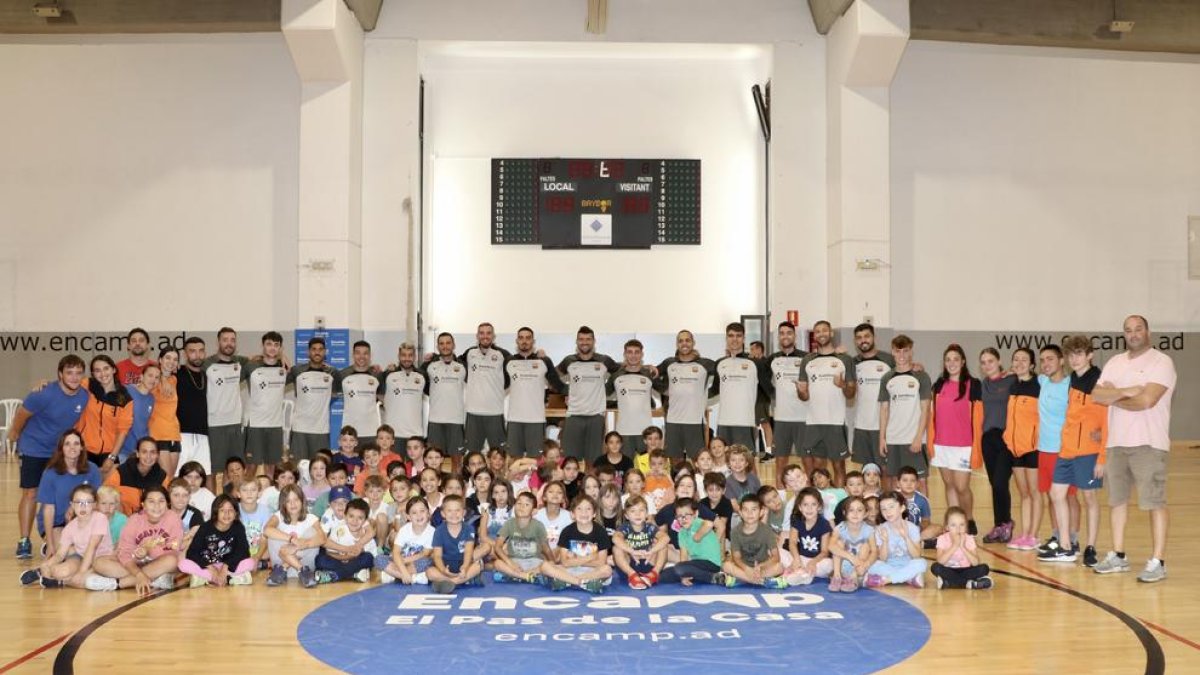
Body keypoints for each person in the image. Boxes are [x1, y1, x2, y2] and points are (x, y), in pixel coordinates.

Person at [1092, 315, 1176, 583]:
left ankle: (1158, 561)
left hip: (1149, 444)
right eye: (1128, 330)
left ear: (1148, 332)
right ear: (1124, 334)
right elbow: (1096, 395)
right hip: (1116, 443)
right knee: (1116, 501)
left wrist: (1114, 396)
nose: (1134, 334)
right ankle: (1118, 555)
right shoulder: (1115, 362)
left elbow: (1147, 400)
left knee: (1154, 502)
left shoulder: (1161, 362)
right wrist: (1127, 391)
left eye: (1138, 329)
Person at [1040, 336, 1108, 566]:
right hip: (1066, 450)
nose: (1075, 359)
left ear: (1089, 355)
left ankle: (1090, 547)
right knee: (1056, 494)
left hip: (1088, 451)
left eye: (1079, 354)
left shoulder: (1100, 382)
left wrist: (1102, 457)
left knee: (1089, 498)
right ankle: (1066, 546)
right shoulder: (1072, 382)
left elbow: (1107, 421)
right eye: (1071, 355)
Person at [927, 344, 983, 535]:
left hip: (963, 445)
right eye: (948, 359)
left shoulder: (973, 384)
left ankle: (968, 518)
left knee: (962, 487)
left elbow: (978, 415)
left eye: (956, 359)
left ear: (963, 362)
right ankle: (954, 524)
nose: (952, 363)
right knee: (949, 485)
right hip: (941, 444)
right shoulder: (939, 385)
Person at [797, 321, 857, 485]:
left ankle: (839, 504)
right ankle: (818, 503)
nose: (821, 334)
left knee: (839, 466)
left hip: (835, 422)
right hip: (814, 422)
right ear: (814, 336)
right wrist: (801, 391)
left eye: (824, 330)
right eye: (817, 331)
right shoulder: (807, 360)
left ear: (831, 333)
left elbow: (851, 393)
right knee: (818, 469)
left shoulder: (844, 359)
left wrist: (843, 385)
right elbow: (804, 396)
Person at [20, 485, 112, 589]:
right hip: (81, 556)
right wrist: (46, 564)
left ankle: (61, 582)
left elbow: (92, 547)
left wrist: (81, 573)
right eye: (78, 502)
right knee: (59, 572)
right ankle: (41, 571)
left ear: (95, 505)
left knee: (86, 580)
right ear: (72, 505)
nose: (83, 506)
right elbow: (60, 554)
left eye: (87, 502)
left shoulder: (100, 518)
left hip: (100, 559)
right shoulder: (70, 527)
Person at [1034, 345, 1077, 554]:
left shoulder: (1071, 384)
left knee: (1069, 496)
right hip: (1044, 449)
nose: (1045, 364)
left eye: (1050, 359)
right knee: (1052, 496)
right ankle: (1057, 535)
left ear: (1062, 361)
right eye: (1042, 360)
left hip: (1065, 450)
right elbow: (1021, 372)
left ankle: (1073, 538)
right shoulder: (1042, 381)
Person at [35, 430, 103, 559]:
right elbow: (48, 509)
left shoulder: (92, 469)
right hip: (57, 522)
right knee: (66, 552)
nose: (72, 447)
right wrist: (50, 543)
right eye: (67, 444)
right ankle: (50, 545)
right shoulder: (51, 473)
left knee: (91, 550)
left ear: (82, 447)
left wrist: (74, 507)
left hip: (84, 519)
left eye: (76, 443)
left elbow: (97, 500)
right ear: (61, 448)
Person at [878, 335, 932, 493]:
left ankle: (924, 518)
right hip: (893, 438)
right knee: (895, 480)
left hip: (914, 439)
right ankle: (898, 516)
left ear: (911, 352)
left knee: (920, 481)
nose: (901, 355)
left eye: (905, 351)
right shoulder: (887, 378)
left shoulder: (921, 376)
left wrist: (918, 437)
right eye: (897, 351)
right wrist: (882, 438)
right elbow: (884, 410)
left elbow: (925, 409)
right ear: (892, 352)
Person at [557, 326, 619, 462]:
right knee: (570, 461)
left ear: (594, 341)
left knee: (594, 461)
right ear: (577, 342)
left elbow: (623, 371)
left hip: (596, 417)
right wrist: (566, 391)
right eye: (581, 339)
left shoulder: (604, 360)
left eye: (588, 339)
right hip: (574, 416)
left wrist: (606, 389)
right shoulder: (569, 360)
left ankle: (591, 484)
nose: (584, 342)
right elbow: (552, 377)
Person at [656, 330, 716, 459]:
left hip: (694, 421)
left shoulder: (705, 364)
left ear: (693, 343)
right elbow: (652, 375)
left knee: (697, 461)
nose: (684, 343)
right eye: (681, 340)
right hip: (673, 421)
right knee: (673, 461)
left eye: (687, 340)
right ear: (677, 344)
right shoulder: (669, 363)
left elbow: (722, 376)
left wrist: (707, 394)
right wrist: (666, 391)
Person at [505, 327, 565, 457]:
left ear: (533, 341)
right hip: (515, 419)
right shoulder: (509, 361)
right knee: (515, 460)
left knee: (536, 461)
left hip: (536, 420)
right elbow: (501, 384)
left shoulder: (543, 361)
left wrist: (574, 392)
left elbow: (558, 385)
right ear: (517, 341)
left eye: (528, 338)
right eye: (521, 338)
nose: (524, 341)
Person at [1003, 348, 1042, 551]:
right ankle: (1025, 533)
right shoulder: (1013, 385)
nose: (1019, 363)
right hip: (1015, 448)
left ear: (1032, 365)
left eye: (1024, 360)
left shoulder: (1039, 385)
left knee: (1035, 493)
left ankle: (1034, 535)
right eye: (1016, 359)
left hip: (1033, 448)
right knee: (1024, 493)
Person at [113, 485, 184, 594]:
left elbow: (174, 546)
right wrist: (139, 573)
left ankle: (118, 583)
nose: (157, 506)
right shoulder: (134, 520)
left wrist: (148, 551)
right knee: (100, 562)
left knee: (172, 561)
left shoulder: (173, 518)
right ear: (143, 505)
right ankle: (154, 578)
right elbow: (124, 552)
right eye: (151, 501)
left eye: (161, 501)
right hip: (137, 564)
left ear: (167, 504)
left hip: (161, 562)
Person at [761, 322, 808, 482]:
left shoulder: (806, 358)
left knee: (808, 463)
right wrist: (773, 394)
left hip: (804, 419)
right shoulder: (772, 359)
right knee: (780, 462)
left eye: (789, 333)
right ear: (778, 337)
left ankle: (811, 497)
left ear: (794, 336)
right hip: (781, 419)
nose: (785, 336)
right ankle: (779, 501)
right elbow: (762, 379)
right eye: (782, 333)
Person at [979, 347, 1016, 544]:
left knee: (1001, 482)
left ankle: (1007, 523)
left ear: (999, 361)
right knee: (995, 484)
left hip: (1006, 438)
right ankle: (999, 525)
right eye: (983, 362)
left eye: (990, 361)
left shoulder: (1011, 380)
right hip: (988, 438)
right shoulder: (983, 384)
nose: (987, 366)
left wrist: (1016, 370)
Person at [204, 327, 248, 492]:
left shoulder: (240, 363)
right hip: (215, 424)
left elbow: (256, 362)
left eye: (232, 340)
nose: (229, 343)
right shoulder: (207, 364)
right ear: (218, 342)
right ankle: (216, 503)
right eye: (225, 340)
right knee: (216, 470)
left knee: (236, 469)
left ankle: (235, 501)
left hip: (235, 423)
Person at [458, 323, 512, 457]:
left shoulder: (502, 354)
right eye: (482, 333)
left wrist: (537, 355)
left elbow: (515, 367)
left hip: (494, 412)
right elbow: (453, 361)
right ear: (477, 336)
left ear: (493, 336)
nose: (485, 336)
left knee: (498, 454)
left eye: (488, 333)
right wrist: (434, 357)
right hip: (473, 412)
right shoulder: (470, 353)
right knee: (472, 453)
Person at [540, 495, 612, 593]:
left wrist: (575, 559)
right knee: (545, 566)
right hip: (571, 569)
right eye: (579, 509)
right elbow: (565, 562)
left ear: (594, 513)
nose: (584, 513)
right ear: (572, 514)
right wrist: (589, 558)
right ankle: (582, 583)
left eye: (588, 509)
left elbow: (601, 562)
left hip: (592, 571)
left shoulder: (600, 531)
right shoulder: (567, 531)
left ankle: (567, 581)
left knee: (607, 570)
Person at [286, 337, 342, 463]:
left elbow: (335, 393)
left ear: (325, 352)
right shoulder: (296, 370)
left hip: (321, 430)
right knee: (298, 467)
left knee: (320, 467)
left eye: (321, 349)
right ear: (308, 352)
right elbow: (279, 381)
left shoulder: (333, 373)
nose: (317, 352)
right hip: (299, 429)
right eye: (314, 349)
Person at [850, 323, 896, 475]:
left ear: (873, 337)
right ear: (855, 341)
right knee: (867, 470)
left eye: (867, 336)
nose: (863, 340)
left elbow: (906, 370)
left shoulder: (889, 360)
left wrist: (916, 366)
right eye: (859, 337)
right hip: (862, 425)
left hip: (884, 426)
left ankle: (888, 499)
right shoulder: (853, 362)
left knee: (886, 470)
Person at [180, 494, 254, 587]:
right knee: (183, 564)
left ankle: (207, 578)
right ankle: (229, 578)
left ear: (236, 512)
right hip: (208, 566)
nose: (227, 514)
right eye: (222, 510)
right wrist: (210, 567)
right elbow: (192, 553)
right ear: (216, 512)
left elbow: (243, 551)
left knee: (250, 562)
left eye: (230, 510)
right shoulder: (205, 527)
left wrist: (226, 567)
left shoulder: (238, 527)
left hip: (229, 567)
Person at [77, 355, 134, 474]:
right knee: (82, 490)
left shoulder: (125, 398)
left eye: (106, 368)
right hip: (84, 450)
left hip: (108, 453)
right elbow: (67, 384)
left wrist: (112, 457)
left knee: (108, 490)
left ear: (113, 369)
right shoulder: (87, 385)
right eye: (97, 370)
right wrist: (45, 384)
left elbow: (123, 431)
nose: (102, 373)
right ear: (93, 373)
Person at [244, 331, 288, 480]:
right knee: (251, 466)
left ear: (280, 348)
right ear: (263, 346)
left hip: (275, 425)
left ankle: (268, 496)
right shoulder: (251, 366)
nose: (272, 348)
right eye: (269, 344)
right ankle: (245, 495)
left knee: (272, 466)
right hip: (256, 424)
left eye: (276, 345)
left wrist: (285, 359)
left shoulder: (285, 368)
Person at [718, 494, 788, 588]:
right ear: (741, 512)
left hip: (761, 569)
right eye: (745, 510)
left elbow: (776, 557)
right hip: (743, 568)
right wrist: (747, 569)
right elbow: (736, 558)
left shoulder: (767, 530)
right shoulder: (735, 531)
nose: (749, 514)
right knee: (726, 566)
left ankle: (742, 581)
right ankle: (763, 582)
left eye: (754, 510)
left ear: (761, 512)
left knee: (779, 567)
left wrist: (760, 567)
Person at [709, 322, 759, 450]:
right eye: (731, 336)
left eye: (738, 336)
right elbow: (714, 390)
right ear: (726, 338)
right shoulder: (720, 363)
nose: (734, 339)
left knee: (746, 462)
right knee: (724, 461)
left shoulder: (754, 363)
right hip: (723, 422)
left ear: (744, 338)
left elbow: (768, 390)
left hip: (745, 422)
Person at [265, 484, 325, 588]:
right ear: (283, 504)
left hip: (304, 564)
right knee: (272, 534)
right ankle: (300, 569)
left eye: (296, 499)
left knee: (313, 533)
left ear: (302, 501)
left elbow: (322, 538)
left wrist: (299, 546)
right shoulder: (278, 516)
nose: (293, 504)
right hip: (282, 567)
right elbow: (267, 530)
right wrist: (292, 539)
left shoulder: (311, 518)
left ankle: (298, 569)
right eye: (288, 501)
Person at [864, 491, 927, 588]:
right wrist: (885, 541)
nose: (887, 512)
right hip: (888, 566)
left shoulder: (912, 528)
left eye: (891, 507)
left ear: (902, 508)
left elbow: (916, 555)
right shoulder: (880, 529)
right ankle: (909, 578)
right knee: (873, 564)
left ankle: (886, 580)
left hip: (908, 564)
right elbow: (883, 559)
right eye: (883, 509)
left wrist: (906, 537)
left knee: (921, 563)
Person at [608, 340, 660, 455]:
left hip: (645, 432)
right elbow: (602, 394)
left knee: (646, 469)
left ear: (642, 354)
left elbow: (666, 390)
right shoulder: (616, 376)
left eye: (637, 352)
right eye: (630, 352)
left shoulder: (649, 374)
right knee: (628, 470)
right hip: (624, 432)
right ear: (625, 354)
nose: (633, 355)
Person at [658, 498, 724, 586]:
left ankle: (712, 577)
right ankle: (696, 576)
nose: (683, 519)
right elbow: (684, 555)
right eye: (679, 516)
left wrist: (697, 536)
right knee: (663, 576)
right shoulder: (681, 533)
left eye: (687, 515)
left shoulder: (697, 523)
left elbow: (709, 524)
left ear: (695, 514)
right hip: (696, 564)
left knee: (680, 568)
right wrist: (683, 576)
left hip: (711, 563)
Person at [491, 491, 553, 584]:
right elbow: (497, 547)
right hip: (514, 561)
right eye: (519, 503)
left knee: (548, 565)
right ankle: (525, 576)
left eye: (526, 504)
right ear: (514, 506)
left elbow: (546, 548)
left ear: (534, 510)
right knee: (497, 563)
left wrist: (553, 563)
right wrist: (509, 562)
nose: (522, 506)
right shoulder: (509, 523)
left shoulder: (538, 525)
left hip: (534, 561)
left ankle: (515, 576)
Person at [427, 495, 483, 593]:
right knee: (429, 572)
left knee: (478, 566)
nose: (454, 514)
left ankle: (451, 582)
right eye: (449, 511)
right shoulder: (439, 531)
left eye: (457, 510)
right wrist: (443, 570)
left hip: (462, 565)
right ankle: (461, 581)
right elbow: (437, 556)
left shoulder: (469, 529)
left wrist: (465, 567)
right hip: (445, 566)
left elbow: (468, 552)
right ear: (443, 514)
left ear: (464, 512)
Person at [423, 332, 467, 455]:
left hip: (456, 420)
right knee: (434, 459)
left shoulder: (463, 366)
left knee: (457, 459)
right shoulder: (430, 366)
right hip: (435, 420)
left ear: (454, 345)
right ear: (437, 347)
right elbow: (417, 378)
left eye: (448, 343)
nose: (445, 346)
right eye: (441, 343)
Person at [315, 497, 377, 584]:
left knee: (368, 558)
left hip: (355, 562)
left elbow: (371, 558)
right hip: (339, 561)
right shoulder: (338, 530)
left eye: (360, 518)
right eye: (351, 516)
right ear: (345, 516)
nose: (355, 521)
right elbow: (329, 552)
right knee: (320, 559)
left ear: (365, 521)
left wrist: (352, 554)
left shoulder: (366, 537)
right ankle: (352, 574)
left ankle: (335, 575)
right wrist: (345, 556)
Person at [612, 496, 669, 589]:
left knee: (663, 546)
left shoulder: (650, 527)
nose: (637, 514)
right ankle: (632, 575)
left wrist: (652, 551)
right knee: (616, 548)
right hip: (630, 564)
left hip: (648, 561)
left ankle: (654, 574)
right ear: (626, 515)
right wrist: (632, 551)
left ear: (646, 513)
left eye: (641, 510)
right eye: (633, 511)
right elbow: (615, 538)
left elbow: (665, 537)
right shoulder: (625, 527)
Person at [175, 337, 212, 478]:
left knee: (204, 475)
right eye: (192, 351)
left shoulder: (205, 375)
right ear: (185, 354)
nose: (197, 355)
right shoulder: (177, 372)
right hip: (181, 433)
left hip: (202, 434)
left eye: (201, 351)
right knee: (178, 476)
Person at [103, 437, 167, 516]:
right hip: (124, 520)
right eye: (144, 452)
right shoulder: (122, 472)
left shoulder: (162, 477)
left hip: (151, 520)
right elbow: (104, 495)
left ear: (157, 455)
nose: (148, 456)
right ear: (137, 453)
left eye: (153, 452)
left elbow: (167, 504)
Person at [932, 506, 993, 590]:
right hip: (949, 570)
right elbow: (940, 561)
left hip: (966, 570)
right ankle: (969, 584)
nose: (958, 528)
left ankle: (949, 583)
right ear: (947, 527)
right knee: (935, 567)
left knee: (984, 568)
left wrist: (963, 547)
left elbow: (975, 563)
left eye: (962, 525)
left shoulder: (969, 538)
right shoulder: (942, 538)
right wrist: (954, 546)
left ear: (966, 526)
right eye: (953, 525)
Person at [379, 343, 427, 444]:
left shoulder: (422, 375)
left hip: (415, 434)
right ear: (398, 356)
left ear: (415, 357)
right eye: (403, 355)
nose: (407, 358)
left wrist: (434, 358)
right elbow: (378, 394)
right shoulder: (388, 374)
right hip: (393, 434)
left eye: (410, 355)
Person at [379, 497, 435, 585]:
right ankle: (411, 577)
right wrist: (403, 572)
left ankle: (394, 575)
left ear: (429, 513)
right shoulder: (404, 530)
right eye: (414, 513)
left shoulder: (432, 532)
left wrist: (406, 560)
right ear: (408, 516)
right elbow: (396, 552)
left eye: (422, 511)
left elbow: (425, 554)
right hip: (400, 563)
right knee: (379, 559)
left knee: (428, 561)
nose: (419, 515)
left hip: (414, 563)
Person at [786, 487, 834, 585]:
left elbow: (825, 551)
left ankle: (802, 573)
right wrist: (796, 559)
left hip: (818, 560)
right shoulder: (796, 521)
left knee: (830, 564)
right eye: (805, 505)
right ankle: (802, 572)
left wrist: (813, 562)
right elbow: (792, 543)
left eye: (813, 504)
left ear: (819, 507)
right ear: (800, 507)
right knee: (780, 553)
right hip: (801, 558)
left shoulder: (824, 524)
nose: (809, 508)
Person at [827, 496, 876, 593]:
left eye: (859, 510)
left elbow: (874, 551)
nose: (855, 513)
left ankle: (853, 579)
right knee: (838, 543)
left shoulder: (869, 530)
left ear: (865, 513)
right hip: (843, 565)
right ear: (845, 513)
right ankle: (837, 577)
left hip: (859, 568)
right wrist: (851, 557)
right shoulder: (840, 528)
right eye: (851, 510)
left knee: (866, 546)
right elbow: (830, 546)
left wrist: (866, 564)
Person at [339, 340, 382, 445]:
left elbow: (383, 398)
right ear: (353, 355)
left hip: (371, 431)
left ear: (370, 355)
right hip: (349, 432)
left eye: (365, 353)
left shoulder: (377, 375)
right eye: (358, 353)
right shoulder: (342, 375)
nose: (362, 356)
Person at [150, 347, 183, 477]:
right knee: (165, 479)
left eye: (175, 359)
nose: (171, 361)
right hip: (158, 434)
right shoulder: (153, 380)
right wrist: (161, 377)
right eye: (168, 358)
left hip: (174, 434)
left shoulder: (174, 380)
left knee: (170, 480)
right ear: (160, 360)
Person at [122, 363, 159, 462]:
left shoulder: (152, 399)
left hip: (141, 453)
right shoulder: (127, 391)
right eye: (150, 375)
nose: (153, 380)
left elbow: (146, 425)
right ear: (141, 377)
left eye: (157, 377)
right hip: (123, 451)